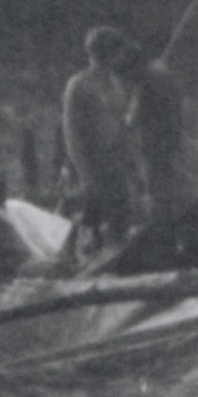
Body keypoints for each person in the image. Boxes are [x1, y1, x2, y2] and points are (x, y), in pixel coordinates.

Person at [64, 28, 139, 250]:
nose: (122, 57)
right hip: (92, 164)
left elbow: (122, 121)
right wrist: (85, 173)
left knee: (120, 217)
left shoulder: (116, 83)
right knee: (90, 219)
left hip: (116, 161)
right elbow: (73, 133)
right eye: (119, 52)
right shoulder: (80, 85)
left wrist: (130, 159)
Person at [123, 48, 186, 225]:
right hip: (171, 137)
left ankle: (157, 224)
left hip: (152, 140)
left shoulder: (144, 81)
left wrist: (124, 121)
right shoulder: (164, 74)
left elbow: (133, 117)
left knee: (154, 185)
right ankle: (170, 220)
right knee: (170, 184)